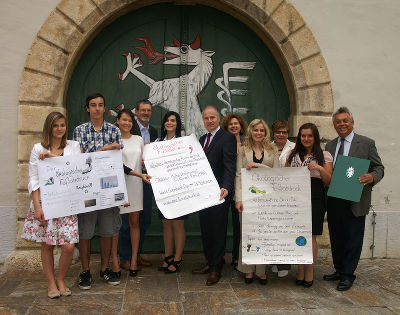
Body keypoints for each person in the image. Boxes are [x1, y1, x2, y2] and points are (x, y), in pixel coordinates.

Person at [323, 107, 384, 291]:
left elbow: (379, 167)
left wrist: (372, 177)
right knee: (336, 236)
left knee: (353, 238)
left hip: (355, 198)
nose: (341, 124)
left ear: (352, 123)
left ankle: (348, 275)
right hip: (334, 197)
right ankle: (339, 269)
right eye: (338, 122)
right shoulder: (330, 146)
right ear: (334, 125)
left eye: (345, 121)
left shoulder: (366, 143)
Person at [21, 112, 80, 298]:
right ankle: (51, 283)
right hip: (45, 203)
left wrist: (53, 160)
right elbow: (34, 179)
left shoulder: (73, 146)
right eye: (56, 126)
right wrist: (37, 207)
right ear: (49, 128)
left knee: (69, 246)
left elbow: (76, 170)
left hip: (67, 203)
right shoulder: (38, 149)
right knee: (47, 245)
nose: (60, 129)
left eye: (62, 125)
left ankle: (61, 278)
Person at [73, 93, 123, 289]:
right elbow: (79, 160)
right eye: (93, 105)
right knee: (85, 232)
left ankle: (104, 268)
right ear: (87, 108)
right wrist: (105, 150)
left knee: (107, 231)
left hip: (108, 188)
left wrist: (100, 152)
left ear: (104, 108)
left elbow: (118, 156)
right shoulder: (79, 131)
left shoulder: (113, 130)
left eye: (100, 105)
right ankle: (85, 271)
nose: (97, 109)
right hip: (86, 189)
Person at [192, 106, 236, 286]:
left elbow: (230, 164)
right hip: (203, 194)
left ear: (218, 118)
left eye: (212, 118)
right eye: (206, 118)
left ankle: (216, 268)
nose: (209, 121)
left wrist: (226, 185)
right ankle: (210, 261)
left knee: (218, 230)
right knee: (206, 229)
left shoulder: (227, 138)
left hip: (219, 193)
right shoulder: (202, 139)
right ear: (203, 120)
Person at [286, 123, 333, 288]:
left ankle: (310, 272)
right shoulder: (292, 155)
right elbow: (284, 177)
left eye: (309, 136)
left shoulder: (324, 155)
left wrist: (319, 168)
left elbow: (329, 181)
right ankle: (300, 269)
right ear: (299, 137)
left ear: (315, 137)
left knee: (311, 235)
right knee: (298, 234)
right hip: (296, 197)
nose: (306, 139)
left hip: (315, 196)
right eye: (303, 135)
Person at [235, 119, 279, 285]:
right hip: (247, 199)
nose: (258, 133)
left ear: (265, 132)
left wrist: (259, 166)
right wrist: (238, 199)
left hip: (266, 200)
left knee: (263, 235)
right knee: (247, 234)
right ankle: (248, 269)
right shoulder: (243, 150)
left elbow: (277, 174)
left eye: (261, 130)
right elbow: (238, 175)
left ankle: (261, 271)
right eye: (255, 130)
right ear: (251, 132)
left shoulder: (272, 149)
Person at [111, 109, 151, 278]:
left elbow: (143, 162)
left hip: (135, 184)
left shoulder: (139, 139)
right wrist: (140, 173)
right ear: (118, 121)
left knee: (135, 223)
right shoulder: (113, 140)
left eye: (129, 121)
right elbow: (118, 166)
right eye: (124, 120)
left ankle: (133, 260)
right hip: (118, 186)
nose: (127, 123)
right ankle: (117, 260)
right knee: (116, 225)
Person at [119, 99, 158, 270]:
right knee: (125, 222)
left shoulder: (155, 131)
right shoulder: (129, 130)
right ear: (136, 112)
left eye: (148, 110)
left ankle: (137, 254)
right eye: (142, 110)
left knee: (144, 220)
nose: (145, 113)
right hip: (128, 180)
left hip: (146, 181)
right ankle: (125, 257)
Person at [156, 111, 187, 273]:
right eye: (167, 120)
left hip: (180, 189)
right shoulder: (157, 142)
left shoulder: (183, 142)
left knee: (177, 224)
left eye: (173, 120)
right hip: (163, 190)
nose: (169, 123)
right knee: (166, 224)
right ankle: (168, 256)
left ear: (177, 124)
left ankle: (178, 258)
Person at [221, 113, 247, 268]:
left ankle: (237, 256)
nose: (233, 126)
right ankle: (221, 255)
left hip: (241, 190)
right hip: (225, 189)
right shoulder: (223, 142)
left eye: (236, 123)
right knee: (221, 224)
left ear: (241, 126)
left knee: (239, 225)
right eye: (230, 124)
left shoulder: (247, 144)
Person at [270, 119, 295, 277]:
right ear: (273, 133)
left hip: (288, 195)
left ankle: (285, 263)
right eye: (278, 132)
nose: (281, 134)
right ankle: (274, 260)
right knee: (273, 228)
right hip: (270, 195)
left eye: (284, 132)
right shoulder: (267, 146)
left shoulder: (294, 147)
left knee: (286, 229)